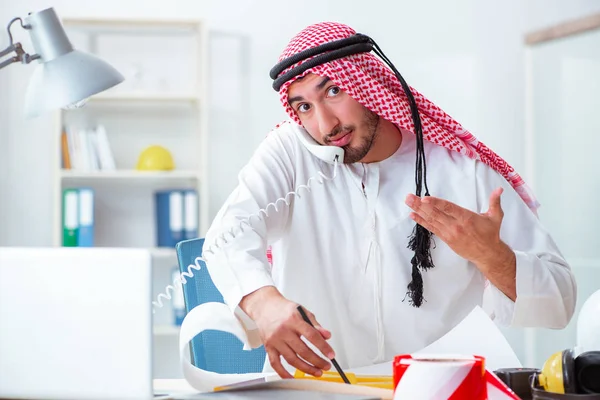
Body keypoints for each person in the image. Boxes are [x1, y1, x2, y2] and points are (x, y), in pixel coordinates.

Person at [202, 22, 577, 379]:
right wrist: (264, 303)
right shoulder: (289, 153)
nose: (325, 125)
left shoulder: (463, 171)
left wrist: (491, 256)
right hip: (318, 388)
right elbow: (228, 235)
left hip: (437, 388)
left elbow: (559, 303)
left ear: (367, 82)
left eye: (333, 91)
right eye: (304, 107)